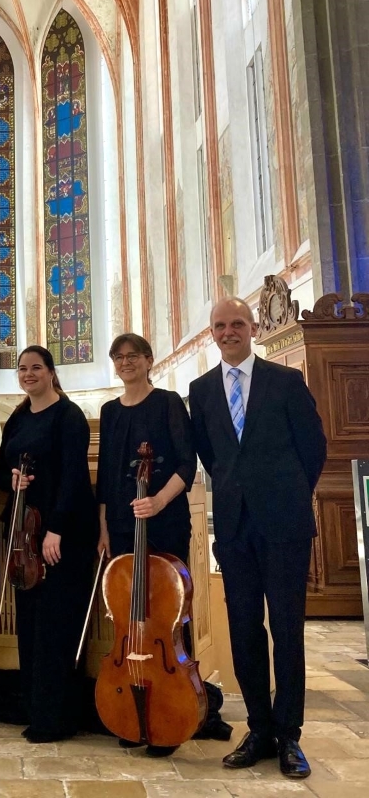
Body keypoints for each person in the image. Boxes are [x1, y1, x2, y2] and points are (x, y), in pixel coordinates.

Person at [189, 298, 327, 780]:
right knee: (245, 631)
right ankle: (259, 727)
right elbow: (211, 454)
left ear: (252, 328)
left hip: (284, 525)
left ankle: (289, 734)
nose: (229, 332)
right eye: (220, 326)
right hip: (234, 527)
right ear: (212, 334)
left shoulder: (285, 381)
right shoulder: (201, 389)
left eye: (237, 324)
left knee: (287, 630)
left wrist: (287, 494)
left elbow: (313, 446)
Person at [97, 332, 197, 756]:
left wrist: (158, 500)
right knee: (129, 619)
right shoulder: (109, 410)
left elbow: (184, 463)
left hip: (164, 522)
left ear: (148, 359)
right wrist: (103, 527)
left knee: (169, 617)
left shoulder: (169, 403)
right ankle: (131, 708)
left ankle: (173, 712)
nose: (125, 363)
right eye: (118, 357)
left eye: (132, 356)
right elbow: (105, 475)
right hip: (121, 526)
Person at [0, 345, 96, 743]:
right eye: (22, 369)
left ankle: (57, 718)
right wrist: (13, 480)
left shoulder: (69, 416)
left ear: (52, 373)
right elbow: (2, 471)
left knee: (58, 625)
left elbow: (73, 476)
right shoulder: (17, 417)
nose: (29, 373)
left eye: (36, 367)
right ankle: (36, 710)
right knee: (31, 625)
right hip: (23, 536)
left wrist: (57, 529)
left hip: (61, 534)